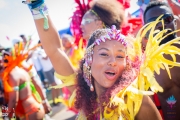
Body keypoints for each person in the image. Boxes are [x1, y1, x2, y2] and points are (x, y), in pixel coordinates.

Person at [24, 0, 180, 119]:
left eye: (120, 56)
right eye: (104, 54)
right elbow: (55, 51)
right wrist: (37, 6)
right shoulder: (84, 91)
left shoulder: (137, 96)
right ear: (88, 62)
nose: (113, 61)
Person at [143, 1, 180, 120]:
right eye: (153, 22)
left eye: (167, 19)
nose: (160, 25)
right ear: (146, 30)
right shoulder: (144, 66)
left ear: (175, 22)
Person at [0, 44, 45, 120]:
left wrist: (7, 117)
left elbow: (13, 100)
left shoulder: (12, 75)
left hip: (31, 111)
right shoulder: (19, 69)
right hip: (33, 109)